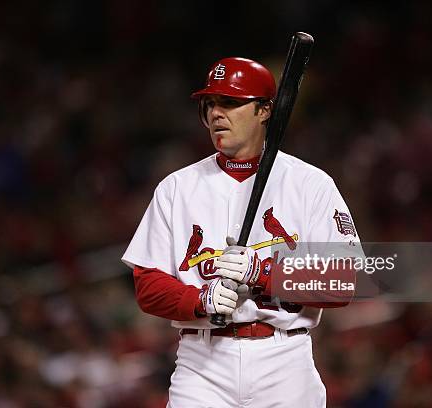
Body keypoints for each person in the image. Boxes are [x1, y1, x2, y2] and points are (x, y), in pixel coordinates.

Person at [122, 57, 361, 407]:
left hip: (284, 359)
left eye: (230, 102)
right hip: (202, 363)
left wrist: (263, 273)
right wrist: (199, 300)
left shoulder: (309, 183)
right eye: (210, 104)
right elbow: (148, 285)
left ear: (264, 111)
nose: (217, 113)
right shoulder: (177, 188)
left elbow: (344, 281)